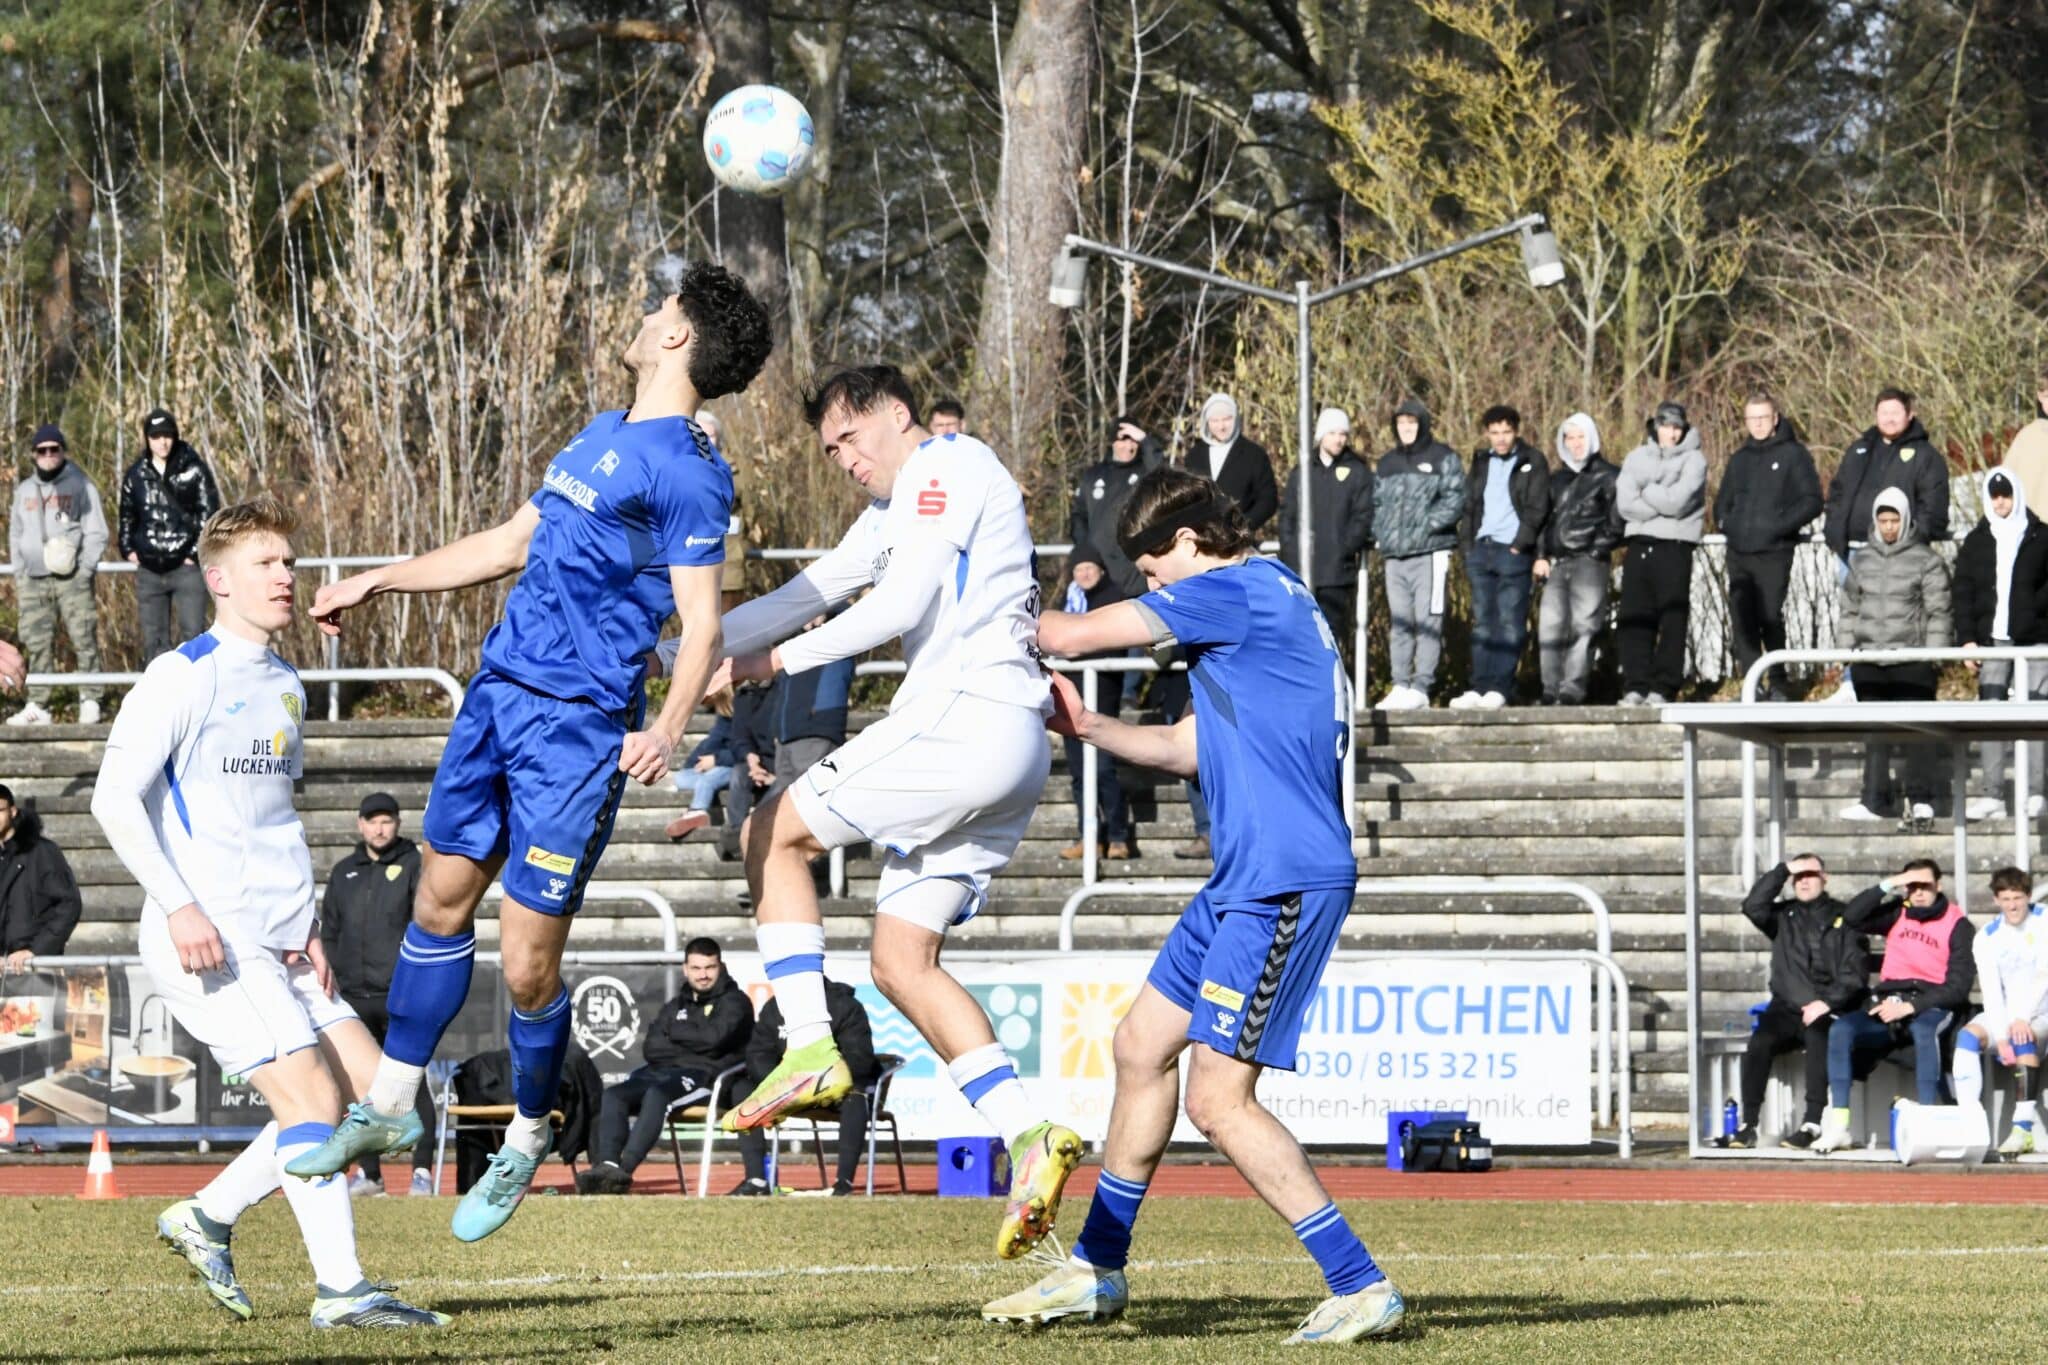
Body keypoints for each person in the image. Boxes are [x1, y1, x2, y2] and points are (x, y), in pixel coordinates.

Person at [284, 262, 773, 1245]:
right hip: (497, 700)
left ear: (678, 339)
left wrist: (668, 723)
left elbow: (702, 622)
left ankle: (528, 1127)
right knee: (437, 901)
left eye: (657, 308)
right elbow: (508, 543)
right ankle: (387, 1100)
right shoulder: (598, 435)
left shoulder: (688, 471)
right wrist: (378, 581)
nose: (642, 314)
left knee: (524, 967)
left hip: (577, 733)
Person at [994, 466, 1400, 1343]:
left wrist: (978, 590)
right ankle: (1098, 1271)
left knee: (1218, 1097)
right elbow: (1188, 747)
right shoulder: (1262, 603)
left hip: (1284, 876)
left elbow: (1072, 631)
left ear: (1187, 543)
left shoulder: (1237, 590)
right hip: (1243, 879)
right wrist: (1093, 730)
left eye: (1152, 567)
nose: (1152, 587)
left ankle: (1359, 1282)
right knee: (1140, 1045)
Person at [705, 363, 1081, 1262]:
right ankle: (1031, 1135)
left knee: (771, 834)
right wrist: (687, 646)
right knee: (901, 961)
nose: (841, 457)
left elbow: (898, 606)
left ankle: (805, 1043)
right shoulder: (905, 501)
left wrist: (768, 666)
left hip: (964, 718)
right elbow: (814, 587)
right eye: (828, 447)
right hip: (1009, 743)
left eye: (849, 436)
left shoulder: (943, 464)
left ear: (899, 415)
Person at [90, 497, 446, 1328]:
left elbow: (270, 822)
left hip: (278, 935)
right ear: (217, 580)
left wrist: (307, 928)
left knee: (378, 1097)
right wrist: (179, 906)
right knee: (312, 1103)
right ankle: (343, 1291)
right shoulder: (184, 673)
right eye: (265, 563)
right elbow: (113, 799)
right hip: (206, 934)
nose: (286, 576)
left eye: (289, 561)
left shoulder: (287, 681)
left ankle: (206, 1215)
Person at [1813, 858, 1976, 1153]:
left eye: (1925, 885)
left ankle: (1926, 1119)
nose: (1918, 892)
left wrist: (1911, 1007)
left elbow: (1958, 987)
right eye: (1912, 886)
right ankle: (1839, 1125)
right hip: (1889, 1000)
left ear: (1938, 886)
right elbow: (1852, 917)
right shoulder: (1898, 912)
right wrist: (1889, 884)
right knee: (1841, 1029)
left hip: (1931, 1004)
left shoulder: (1958, 924)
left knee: (1926, 1032)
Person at [319, 792, 436, 1197]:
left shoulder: (413, 865)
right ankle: (369, 1175)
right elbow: (329, 929)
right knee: (360, 1087)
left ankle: (422, 1173)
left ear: (398, 823)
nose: (380, 828)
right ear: (360, 825)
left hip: (401, 994)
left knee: (412, 1081)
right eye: (372, 821)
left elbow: (426, 923)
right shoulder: (344, 872)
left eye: (387, 820)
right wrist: (333, 975)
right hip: (353, 994)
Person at [1713, 854, 1866, 1150]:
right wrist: (1783, 870)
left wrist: (1827, 1003)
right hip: (1786, 1008)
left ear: (1825, 878)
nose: (1804, 881)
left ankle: (1811, 1123)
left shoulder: (1845, 917)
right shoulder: (1783, 916)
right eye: (1798, 876)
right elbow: (1752, 906)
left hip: (1828, 1007)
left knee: (1820, 1035)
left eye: (1811, 874)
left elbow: (1855, 974)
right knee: (1760, 1042)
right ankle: (1748, 1125)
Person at [581, 938, 753, 1193]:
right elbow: (652, 1047)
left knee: (657, 1095)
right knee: (614, 1094)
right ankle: (606, 1164)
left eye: (709, 967)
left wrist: (676, 1033)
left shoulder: (735, 1002)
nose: (703, 975)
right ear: (685, 969)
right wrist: (694, 1041)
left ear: (720, 967)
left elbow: (715, 1040)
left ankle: (622, 1171)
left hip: (703, 1076)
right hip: (660, 1071)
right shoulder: (676, 1004)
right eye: (696, 968)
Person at [1835, 488, 1951, 826]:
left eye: (1894, 520)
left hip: (1912, 661)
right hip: (1870, 659)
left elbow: (1939, 611)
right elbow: (1849, 609)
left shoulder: (1926, 560)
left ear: (1905, 520)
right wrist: (1845, 652)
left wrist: (1935, 655)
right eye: (1883, 520)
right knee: (1875, 734)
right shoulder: (1862, 561)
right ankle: (1874, 797)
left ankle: (1921, 798)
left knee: (1917, 734)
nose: (1888, 527)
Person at [1953, 470, 2048, 822]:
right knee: (1991, 713)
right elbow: (1962, 591)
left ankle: (2037, 791)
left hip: (2035, 639)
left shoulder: (2041, 537)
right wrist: (1966, 638)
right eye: (1994, 496)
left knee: (2037, 712)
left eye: (2005, 495)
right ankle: (1993, 792)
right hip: (1992, 639)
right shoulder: (1977, 540)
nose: (2000, 502)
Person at [1712, 394, 1822, 698]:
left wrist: (1777, 528)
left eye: (1763, 417)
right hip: (1739, 552)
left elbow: (1812, 501)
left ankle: (1778, 682)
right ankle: (1752, 686)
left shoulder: (1793, 455)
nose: (1758, 424)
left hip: (1774, 552)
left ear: (1775, 418)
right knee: (1742, 617)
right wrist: (1727, 524)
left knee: (1770, 616)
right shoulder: (1740, 459)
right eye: (1752, 419)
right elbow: (1722, 504)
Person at [730, 975, 877, 1197]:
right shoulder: (775, 1007)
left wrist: (817, 1080)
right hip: (789, 1091)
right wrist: (781, 1085)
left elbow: (859, 1059)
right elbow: (758, 1053)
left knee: (855, 1098)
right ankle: (756, 1179)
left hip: (832, 1089)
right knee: (742, 1089)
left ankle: (843, 1184)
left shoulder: (844, 1007)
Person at [9, 423, 109, 726]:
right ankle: (38, 703)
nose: (49, 455)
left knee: (83, 636)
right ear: (34, 454)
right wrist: (20, 572)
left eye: (54, 449)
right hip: (33, 580)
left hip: (72, 579)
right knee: (36, 641)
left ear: (63, 451)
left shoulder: (80, 485)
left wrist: (85, 569)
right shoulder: (24, 489)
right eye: (43, 450)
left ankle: (90, 698)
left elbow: (97, 531)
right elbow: (16, 533)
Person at [1452, 405, 1549, 710]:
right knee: (1483, 622)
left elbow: (1537, 508)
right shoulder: (1481, 461)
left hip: (1512, 552)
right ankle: (1479, 686)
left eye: (1506, 432)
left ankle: (1500, 686)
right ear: (1487, 434)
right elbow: (1469, 506)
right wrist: (1468, 547)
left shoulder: (1532, 461)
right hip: (1482, 550)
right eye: (1494, 433)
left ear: (1516, 431)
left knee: (1509, 621)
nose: (1501, 438)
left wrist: (1521, 544)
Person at [1371, 398, 1465, 710]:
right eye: (1401, 423)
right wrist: (1380, 534)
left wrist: (1424, 526)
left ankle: (1422, 686)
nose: (1406, 428)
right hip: (1394, 557)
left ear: (1422, 424)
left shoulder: (1443, 457)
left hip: (1431, 552)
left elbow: (1455, 500)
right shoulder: (1386, 463)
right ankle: (1399, 684)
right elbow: (1376, 505)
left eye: (1412, 422)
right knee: (1400, 622)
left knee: (1428, 620)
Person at [1613, 402, 1706, 706]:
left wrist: (1648, 491)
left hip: (1675, 546)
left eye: (1677, 427)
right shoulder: (1636, 457)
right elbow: (1625, 503)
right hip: (1639, 543)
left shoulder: (1695, 460)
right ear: (1656, 426)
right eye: (1666, 427)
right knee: (1634, 616)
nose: (1672, 434)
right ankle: (1635, 684)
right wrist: (1659, 499)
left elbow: (1679, 502)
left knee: (1672, 617)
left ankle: (1664, 686)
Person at [1952, 867, 2048, 1156]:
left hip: (2041, 1010)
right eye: (2005, 899)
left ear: (2028, 896)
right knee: (1968, 1038)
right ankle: (1970, 1124)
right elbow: (1991, 990)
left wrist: (2021, 1019)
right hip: (2007, 1015)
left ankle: (2022, 1129)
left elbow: (2044, 975)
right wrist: (2001, 1034)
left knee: (2024, 1034)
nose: (2013, 905)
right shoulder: (1987, 937)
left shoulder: (2044, 920)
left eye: (2018, 898)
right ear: (1996, 900)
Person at [119, 407, 222, 664]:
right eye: (155, 436)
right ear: (147, 439)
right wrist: (128, 548)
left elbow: (209, 514)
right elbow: (127, 515)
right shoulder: (136, 474)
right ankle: (163, 702)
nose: (162, 441)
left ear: (175, 436)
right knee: (154, 642)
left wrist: (193, 554)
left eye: (167, 435)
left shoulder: (194, 469)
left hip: (187, 567)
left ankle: (199, 698)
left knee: (195, 637)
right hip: (149, 568)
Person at [1050, 546, 1133, 862]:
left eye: (1088, 568)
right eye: (1077, 569)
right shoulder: (1068, 601)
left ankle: (1117, 836)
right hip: (1072, 695)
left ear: (1100, 569)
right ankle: (1088, 836)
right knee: (1078, 771)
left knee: (1103, 768)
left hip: (1103, 692)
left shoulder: (1113, 598)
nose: (1083, 574)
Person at [1277, 406, 1374, 675]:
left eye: (1343, 433)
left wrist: (1344, 549)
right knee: (1299, 637)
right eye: (1332, 432)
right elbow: (1287, 516)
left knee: (1331, 639)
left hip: (1337, 574)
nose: (1338, 439)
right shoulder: (1302, 472)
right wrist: (1291, 554)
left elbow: (1363, 516)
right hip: (1302, 573)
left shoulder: (1358, 472)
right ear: (1321, 434)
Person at [1534, 412, 1619, 706]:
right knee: (1549, 625)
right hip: (1557, 562)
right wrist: (1542, 554)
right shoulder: (1556, 480)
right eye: (1569, 437)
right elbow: (1544, 519)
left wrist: (1597, 549)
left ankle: (1572, 689)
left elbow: (1617, 518)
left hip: (1589, 560)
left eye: (1580, 436)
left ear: (1592, 437)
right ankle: (1549, 688)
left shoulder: (1609, 475)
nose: (1575, 443)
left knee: (1584, 626)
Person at [1824, 388, 1950, 568]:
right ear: (1876, 415)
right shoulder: (1858, 451)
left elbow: (1934, 509)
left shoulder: (1925, 456)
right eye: (1884, 413)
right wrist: (1834, 529)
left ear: (1910, 415)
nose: (1889, 418)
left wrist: (1908, 541)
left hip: (1900, 558)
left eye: (1895, 413)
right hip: (1851, 554)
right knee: (1850, 598)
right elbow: (1837, 494)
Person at [1069, 417, 1165, 602]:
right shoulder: (1094, 475)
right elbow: (1078, 515)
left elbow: (1163, 475)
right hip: (1102, 573)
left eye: (1133, 440)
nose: (1128, 446)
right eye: (1123, 439)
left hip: (1135, 572)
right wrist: (1086, 549)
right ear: (1113, 442)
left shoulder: (1147, 473)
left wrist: (1145, 440)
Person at [0, 783, 82, 971]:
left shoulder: (42, 852)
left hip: (35, 968)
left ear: (12, 812)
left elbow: (69, 904)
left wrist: (36, 950)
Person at [1192, 392, 1278, 530]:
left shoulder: (1254, 455)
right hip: (1202, 537)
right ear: (1206, 422)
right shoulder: (1194, 455)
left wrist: (1244, 525)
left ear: (1236, 418)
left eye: (1227, 419)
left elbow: (1268, 499)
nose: (1221, 426)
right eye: (1215, 420)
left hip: (1239, 539)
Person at [666, 690, 737, 841]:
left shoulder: (744, 717)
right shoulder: (723, 719)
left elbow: (745, 750)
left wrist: (716, 760)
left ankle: (697, 811)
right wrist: (693, 764)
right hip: (713, 767)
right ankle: (697, 805)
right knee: (680, 778)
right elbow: (709, 745)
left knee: (707, 780)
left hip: (734, 766)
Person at [2000, 366, 2048, 515]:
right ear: (2039, 396)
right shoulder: (2027, 437)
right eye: (2047, 396)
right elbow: (2003, 485)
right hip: (2032, 531)